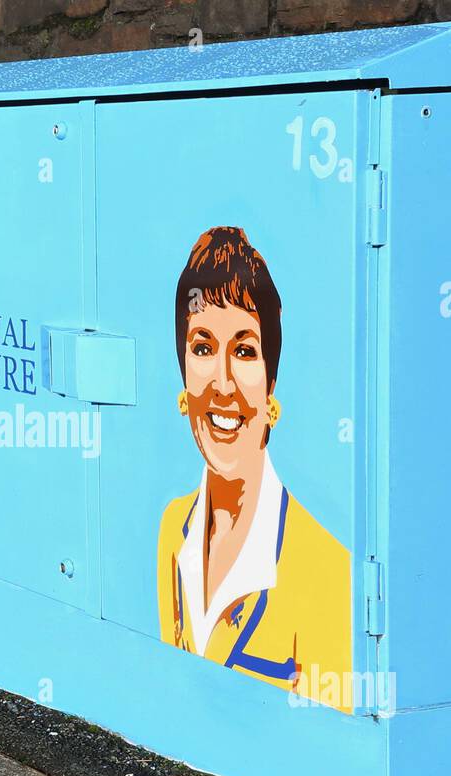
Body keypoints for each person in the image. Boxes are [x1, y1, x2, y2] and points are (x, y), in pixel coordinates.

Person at [155, 226, 353, 710]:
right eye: (203, 347)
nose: (222, 383)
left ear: (270, 385)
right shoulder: (172, 533)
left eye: (244, 350)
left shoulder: (325, 572)